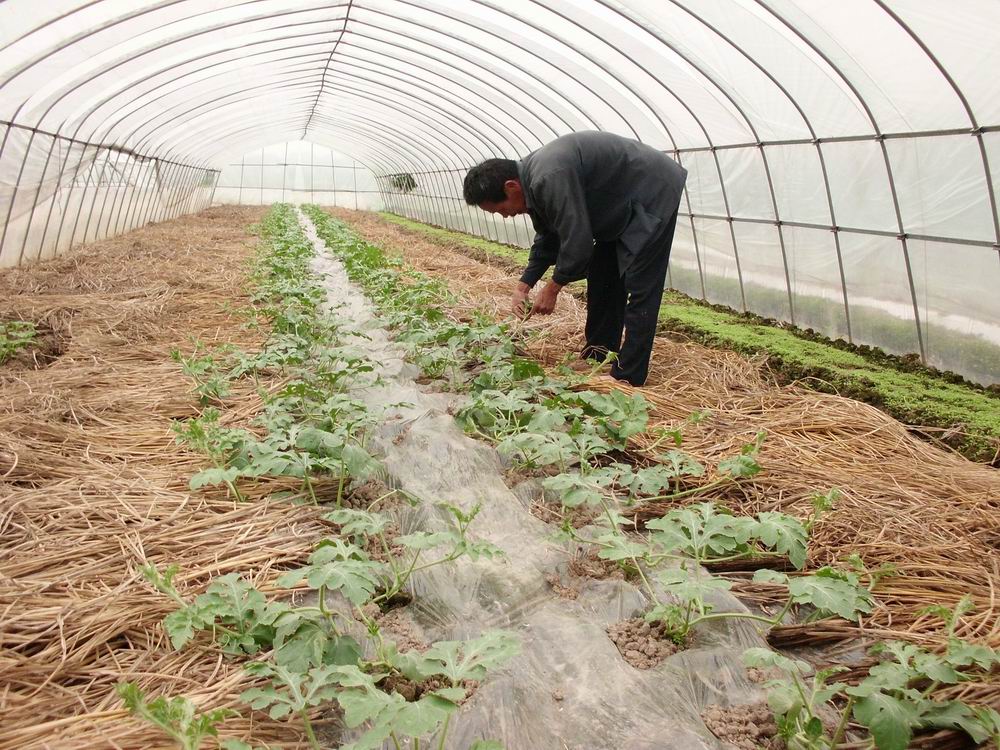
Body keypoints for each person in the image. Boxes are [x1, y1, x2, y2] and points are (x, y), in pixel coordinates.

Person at [462, 130, 687, 387]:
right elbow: (549, 236)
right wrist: (524, 285)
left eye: (502, 209)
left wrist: (553, 287)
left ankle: (629, 375)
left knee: (641, 287)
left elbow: (577, 243)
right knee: (604, 278)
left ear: (510, 187)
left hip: (651, 191)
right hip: (615, 208)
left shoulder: (548, 176)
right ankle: (598, 354)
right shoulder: (532, 179)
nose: (505, 216)